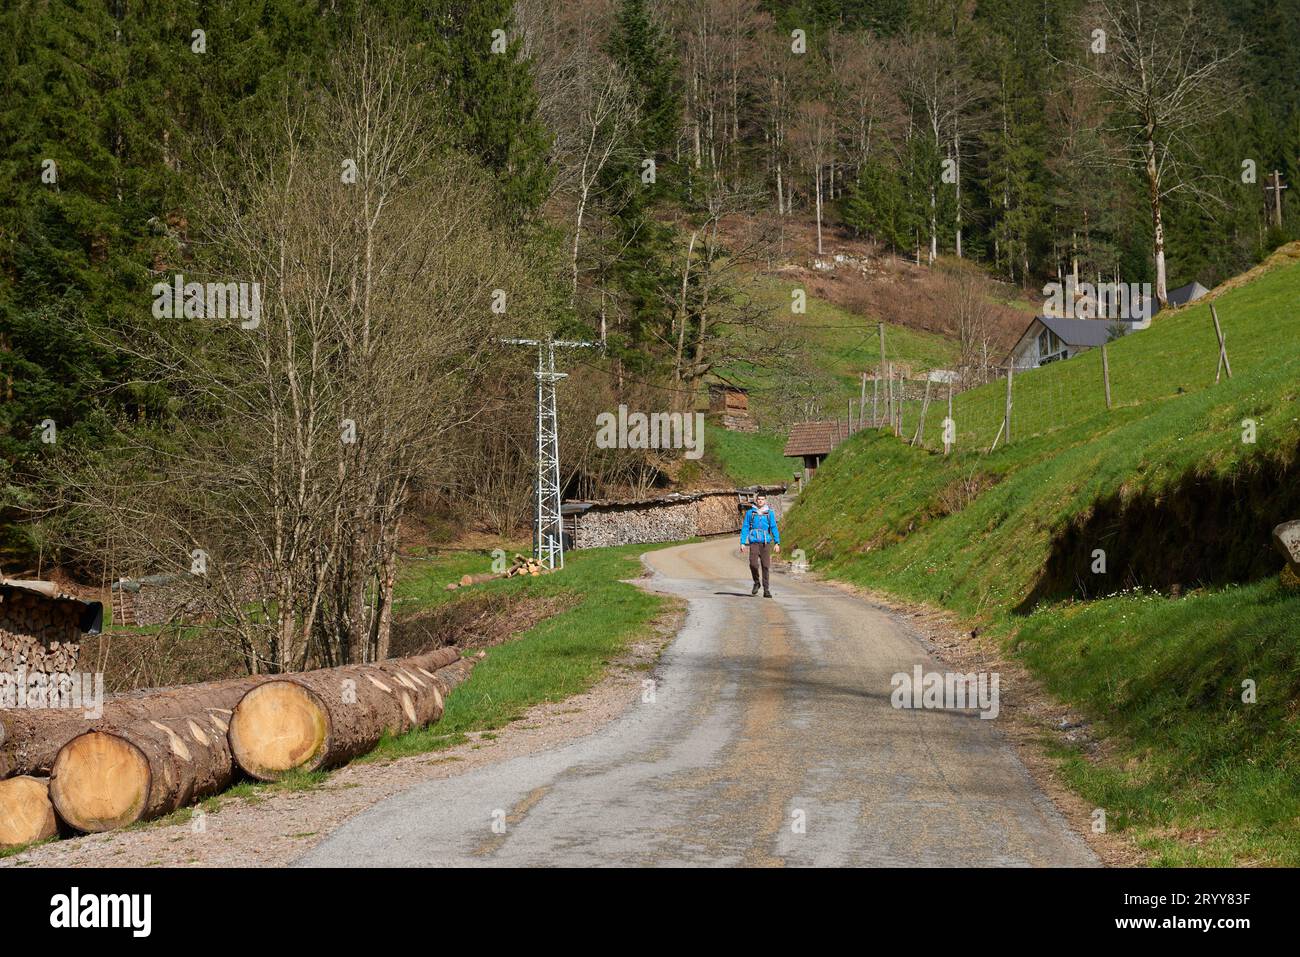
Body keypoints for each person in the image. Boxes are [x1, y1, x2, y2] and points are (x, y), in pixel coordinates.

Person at [740, 494, 780, 597]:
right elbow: (745, 527)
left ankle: (766, 590)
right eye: (759, 499)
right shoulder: (750, 513)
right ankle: (756, 582)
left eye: (762, 499)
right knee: (753, 564)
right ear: (756, 500)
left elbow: (773, 527)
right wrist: (742, 542)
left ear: (765, 501)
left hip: (766, 543)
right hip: (754, 542)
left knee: (765, 566)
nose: (760, 501)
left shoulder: (769, 513)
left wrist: (776, 542)